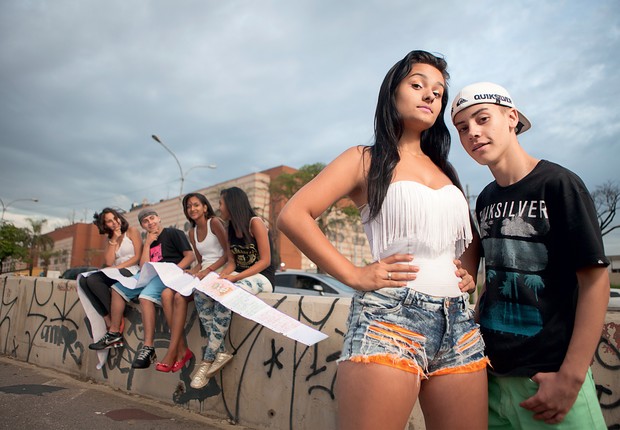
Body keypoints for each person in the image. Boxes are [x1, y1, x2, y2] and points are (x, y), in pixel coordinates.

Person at [277, 50, 488, 430]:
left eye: (438, 93)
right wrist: (355, 275)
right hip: (391, 317)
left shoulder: (445, 169)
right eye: (418, 85)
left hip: (459, 321)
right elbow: (293, 215)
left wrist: (468, 271)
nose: (430, 96)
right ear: (392, 93)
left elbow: (470, 236)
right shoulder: (365, 159)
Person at [451, 81, 610, 429]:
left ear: (511, 118)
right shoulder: (486, 198)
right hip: (492, 377)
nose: (473, 134)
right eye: (463, 128)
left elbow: (595, 280)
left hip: (547, 379)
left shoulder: (558, 184)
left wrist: (570, 378)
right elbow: (496, 275)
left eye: (482, 119)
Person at [189, 186, 275, 389]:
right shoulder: (230, 229)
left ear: (232, 204)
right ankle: (220, 351)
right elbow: (232, 262)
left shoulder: (255, 223)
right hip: (240, 276)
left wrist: (234, 279)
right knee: (201, 291)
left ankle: (207, 360)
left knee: (227, 294)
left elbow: (265, 261)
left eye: (221, 203)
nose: (219, 207)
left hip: (262, 277)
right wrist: (222, 276)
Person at [89, 208, 194, 370]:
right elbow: (143, 266)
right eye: (145, 221)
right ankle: (114, 332)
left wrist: (175, 271)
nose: (150, 222)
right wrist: (148, 245)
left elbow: (190, 256)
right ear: (143, 226)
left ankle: (148, 347)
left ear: (158, 218)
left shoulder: (173, 233)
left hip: (168, 274)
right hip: (150, 274)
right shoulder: (149, 241)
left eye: (152, 218)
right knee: (118, 289)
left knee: (145, 297)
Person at [155, 193, 228, 374]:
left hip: (219, 272)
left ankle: (173, 352)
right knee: (166, 294)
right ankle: (180, 349)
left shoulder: (215, 223)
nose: (192, 209)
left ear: (204, 207)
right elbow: (201, 260)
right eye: (189, 207)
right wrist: (192, 271)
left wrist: (206, 272)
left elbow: (228, 254)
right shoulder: (191, 232)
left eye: (196, 205)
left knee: (179, 297)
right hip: (203, 273)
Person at [79, 208, 142, 335]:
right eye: (109, 221)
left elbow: (137, 257)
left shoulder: (132, 231)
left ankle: (115, 319)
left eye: (115, 218)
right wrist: (114, 239)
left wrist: (116, 268)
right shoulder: (110, 239)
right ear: (105, 225)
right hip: (116, 273)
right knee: (84, 281)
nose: (114, 222)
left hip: (131, 272)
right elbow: (108, 261)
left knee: (93, 279)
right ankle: (108, 319)